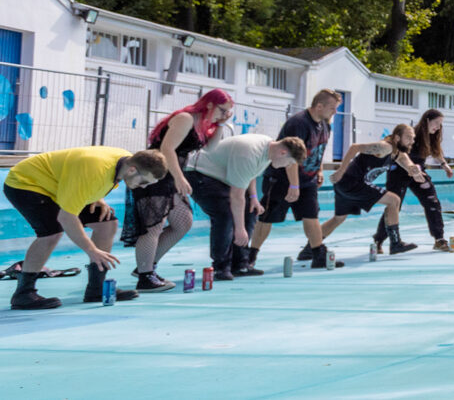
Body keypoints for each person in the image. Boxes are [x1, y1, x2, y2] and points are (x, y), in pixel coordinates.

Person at [5, 147, 167, 309]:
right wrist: (92, 250)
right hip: (26, 183)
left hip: (57, 185)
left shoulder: (126, 163)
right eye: (144, 182)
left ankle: (96, 289)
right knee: (51, 233)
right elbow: (66, 217)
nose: (143, 187)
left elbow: (81, 178)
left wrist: (97, 197)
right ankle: (23, 293)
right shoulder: (96, 171)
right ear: (132, 170)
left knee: (106, 224)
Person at [121, 89, 233, 291]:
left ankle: (147, 267)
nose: (224, 114)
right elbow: (167, 148)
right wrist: (180, 178)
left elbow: (210, 148)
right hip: (153, 174)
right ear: (209, 104)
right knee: (153, 226)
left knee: (183, 223)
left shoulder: (200, 124)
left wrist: (221, 124)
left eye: (227, 112)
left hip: (170, 177)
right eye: (222, 110)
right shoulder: (185, 118)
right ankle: (145, 276)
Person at [187, 133, 308, 280]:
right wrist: (240, 229)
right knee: (225, 214)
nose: (287, 166)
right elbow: (236, 196)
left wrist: (253, 198)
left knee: (251, 209)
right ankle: (221, 267)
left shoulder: (269, 150)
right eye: (289, 162)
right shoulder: (250, 153)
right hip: (199, 173)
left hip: (221, 177)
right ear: (283, 153)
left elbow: (250, 174)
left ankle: (240, 264)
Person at [248, 88, 343, 269]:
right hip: (281, 179)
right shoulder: (298, 123)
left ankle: (317, 255)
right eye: (332, 107)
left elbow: (318, 149)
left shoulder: (325, 125)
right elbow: (289, 155)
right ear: (319, 106)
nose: (335, 112)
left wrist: (319, 171)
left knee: (311, 215)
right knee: (267, 217)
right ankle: (250, 256)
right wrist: (294, 184)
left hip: (307, 180)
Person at [327, 124, 429, 258]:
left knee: (338, 219)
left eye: (413, 138)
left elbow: (409, 164)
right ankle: (395, 243)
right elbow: (355, 147)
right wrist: (341, 170)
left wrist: (415, 171)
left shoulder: (397, 153)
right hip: (353, 183)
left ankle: (311, 248)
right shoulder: (385, 147)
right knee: (394, 200)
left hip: (345, 184)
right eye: (409, 138)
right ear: (397, 138)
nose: (412, 141)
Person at [380, 108, 454, 253]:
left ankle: (439, 239)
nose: (438, 127)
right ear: (427, 120)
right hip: (399, 172)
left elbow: (436, 151)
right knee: (394, 206)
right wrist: (411, 169)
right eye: (436, 123)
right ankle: (379, 240)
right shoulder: (412, 134)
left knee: (432, 202)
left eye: (440, 124)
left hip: (418, 173)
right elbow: (398, 152)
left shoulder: (432, 136)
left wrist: (444, 165)